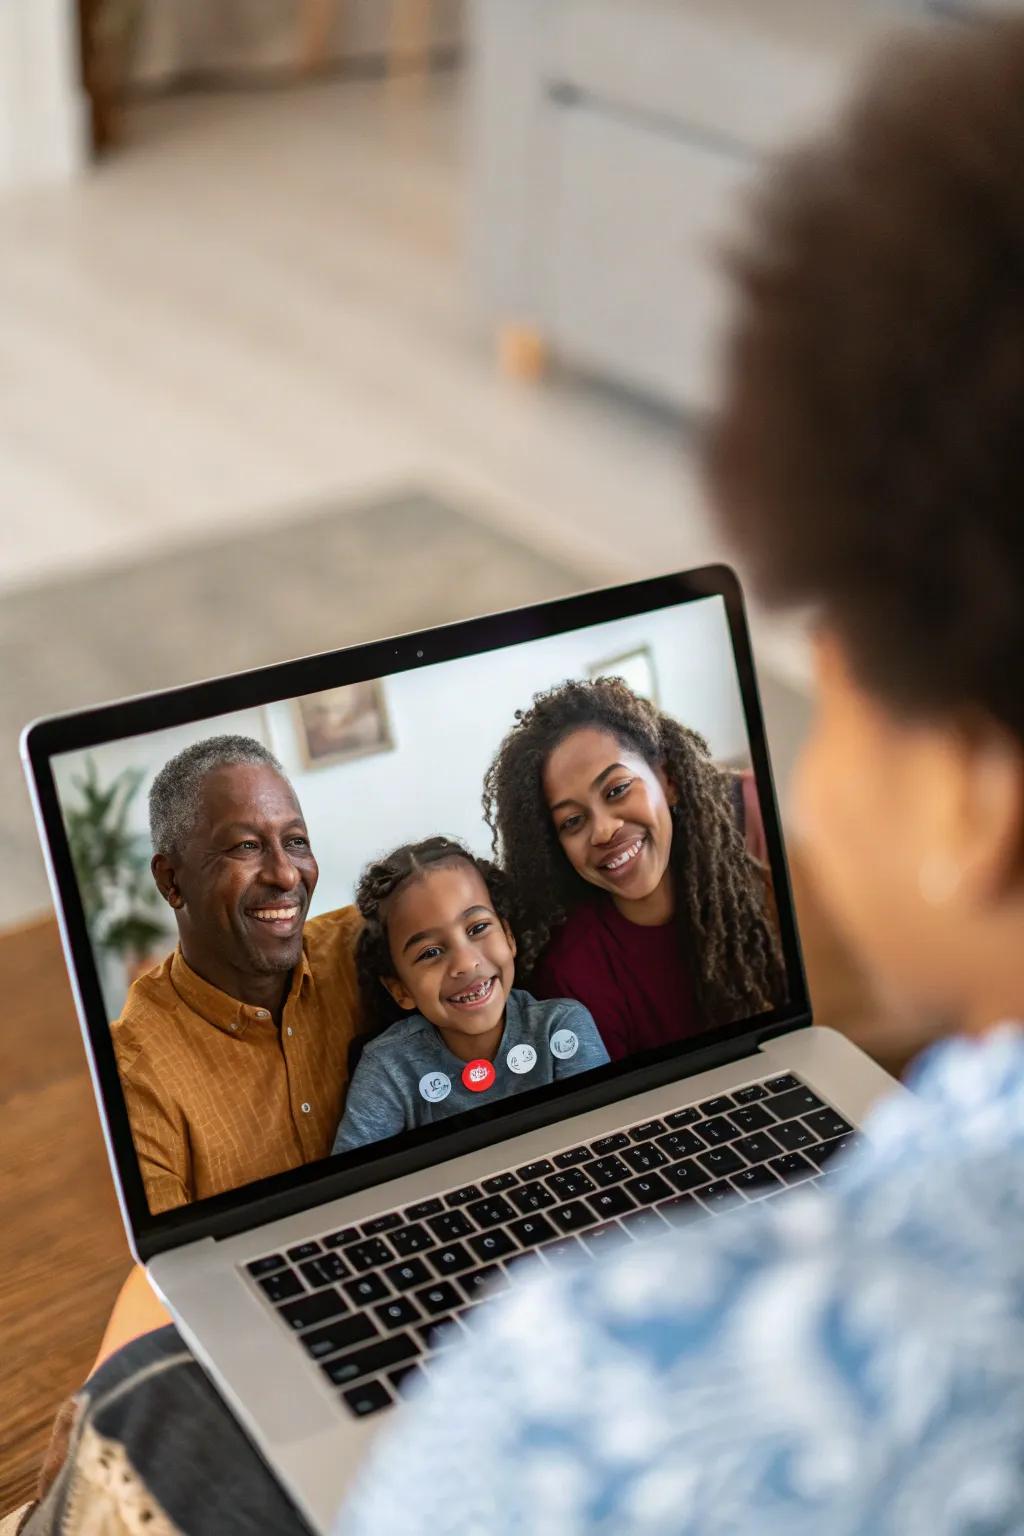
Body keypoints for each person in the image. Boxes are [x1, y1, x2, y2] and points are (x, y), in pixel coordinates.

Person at [14, 15, 1024, 1536]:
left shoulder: (582, 1387)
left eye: (850, 668)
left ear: (973, 795)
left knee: (141, 1387)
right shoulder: (372, 1049)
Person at [112, 735, 362, 1212]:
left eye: (295, 842)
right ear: (171, 880)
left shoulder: (367, 948)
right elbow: (175, 1263)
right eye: (246, 846)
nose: (287, 875)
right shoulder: (137, 1073)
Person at [482, 676, 785, 1058]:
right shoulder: (572, 971)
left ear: (668, 780)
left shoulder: (760, 893)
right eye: (572, 821)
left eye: (617, 790)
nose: (604, 830)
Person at [333, 837, 608, 1151]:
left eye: (477, 928)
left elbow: (603, 1141)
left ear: (508, 936)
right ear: (401, 989)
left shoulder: (560, 1028)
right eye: (430, 952)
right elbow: (356, 1182)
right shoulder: (388, 1068)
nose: (465, 963)